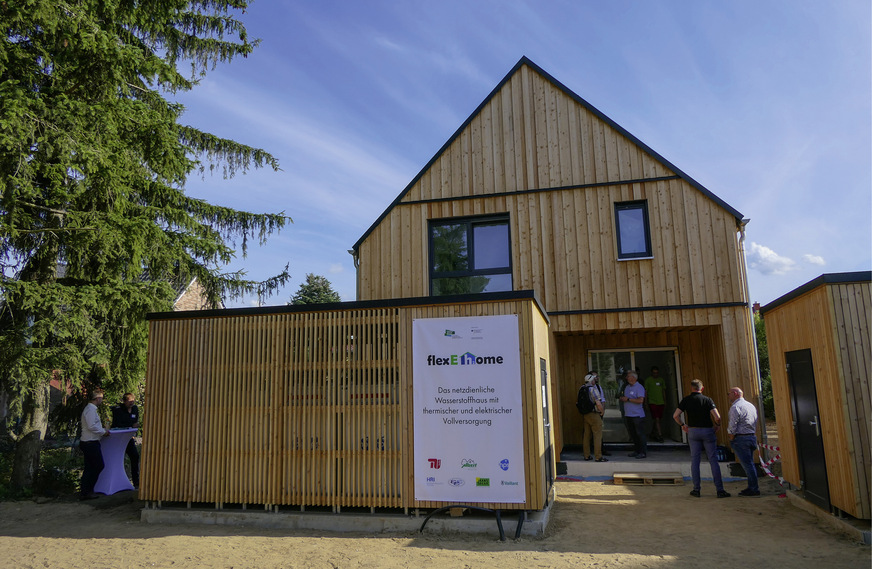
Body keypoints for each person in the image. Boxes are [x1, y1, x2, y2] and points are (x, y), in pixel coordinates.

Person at [673, 379, 730, 498]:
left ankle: (696, 489)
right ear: (702, 388)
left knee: (695, 460)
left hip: (693, 431)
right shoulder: (707, 400)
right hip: (707, 430)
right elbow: (717, 417)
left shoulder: (686, 400)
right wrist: (717, 425)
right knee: (713, 459)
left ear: (691, 388)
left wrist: (683, 425)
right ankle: (720, 490)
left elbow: (675, 415)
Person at [728, 387, 760, 496]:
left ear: (735, 393)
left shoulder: (735, 407)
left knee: (748, 465)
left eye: (729, 394)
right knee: (749, 463)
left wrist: (731, 437)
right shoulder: (750, 405)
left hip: (741, 438)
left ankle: (753, 488)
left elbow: (732, 425)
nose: (728, 396)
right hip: (751, 436)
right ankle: (752, 487)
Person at [79, 389, 110, 500]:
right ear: (97, 398)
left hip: (90, 441)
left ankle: (85, 490)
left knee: (90, 467)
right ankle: (87, 490)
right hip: (90, 442)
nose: (101, 400)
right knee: (98, 465)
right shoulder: (90, 410)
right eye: (101, 398)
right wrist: (103, 432)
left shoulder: (91, 409)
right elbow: (92, 426)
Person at [111, 392, 141, 488]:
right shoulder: (118, 410)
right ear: (124, 401)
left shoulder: (135, 409)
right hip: (118, 438)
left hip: (128, 438)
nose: (131, 403)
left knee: (135, 456)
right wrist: (130, 425)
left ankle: (136, 481)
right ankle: (115, 480)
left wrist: (135, 425)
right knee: (117, 458)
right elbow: (117, 423)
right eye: (129, 401)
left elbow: (135, 420)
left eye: (133, 401)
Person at [580, 372, 608, 462]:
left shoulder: (582, 388)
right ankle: (598, 456)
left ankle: (586, 455)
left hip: (585, 414)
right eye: (594, 379)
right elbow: (598, 403)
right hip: (594, 414)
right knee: (597, 435)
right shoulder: (593, 389)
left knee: (586, 435)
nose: (595, 380)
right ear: (591, 381)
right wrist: (602, 411)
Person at [620, 370, 647, 458]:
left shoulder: (639, 387)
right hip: (629, 414)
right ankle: (636, 450)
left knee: (640, 434)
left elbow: (640, 400)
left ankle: (643, 452)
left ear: (633, 378)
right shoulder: (627, 387)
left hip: (637, 415)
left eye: (628, 376)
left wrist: (628, 399)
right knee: (633, 434)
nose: (627, 378)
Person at [644, 366, 666, 442]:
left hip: (661, 402)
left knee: (658, 419)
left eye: (656, 373)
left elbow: (663, 391)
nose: (655, 374)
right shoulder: (648, 380)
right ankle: (660, 435)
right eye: (654, 373)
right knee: (656, 419)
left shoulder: (661, 380)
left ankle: (653, 433)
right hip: (652, 402)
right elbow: (646, 392)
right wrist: (646, 403)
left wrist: (665, 401)